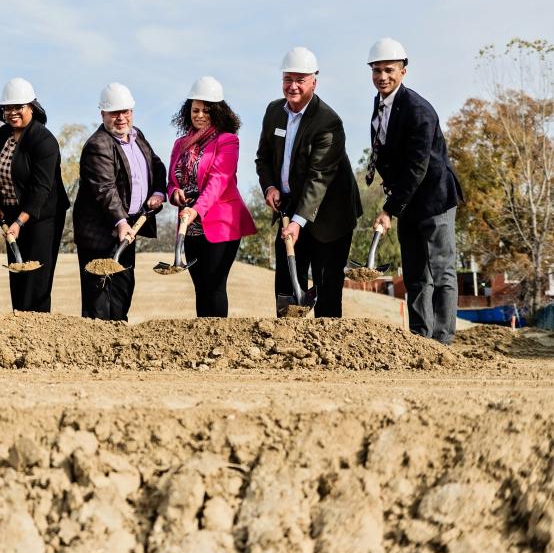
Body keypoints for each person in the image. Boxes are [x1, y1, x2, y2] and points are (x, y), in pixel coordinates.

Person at [365, 38, 464, 345]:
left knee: (442, 270)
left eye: (389, 70)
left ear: (404, 71)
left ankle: (443, 342)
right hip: (407, 201)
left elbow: (416, 168)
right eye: (377, 70)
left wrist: (389, 209)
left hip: (434, 200)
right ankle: (421, 340)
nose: (383, 76)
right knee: (415, 274)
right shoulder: (381, 104)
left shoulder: (418, 111)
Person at [255, 47, 362, 317]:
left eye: (300, 80)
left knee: (327, 291)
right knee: (288, 287)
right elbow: (263, 158)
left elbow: (319, 177)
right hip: (289, 207)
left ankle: (328, 352)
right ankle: (289, 346)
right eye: (288, 79)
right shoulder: (273, 112)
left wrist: (298, 222)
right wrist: (269, 186)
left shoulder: (328, 122)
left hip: (330, 213)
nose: (293, 86)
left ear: (314, 81)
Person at [72, 83, 165, 320]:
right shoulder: (98, 145)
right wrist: (121, 221)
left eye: (126, 111)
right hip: (102, 232)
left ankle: (118, 339)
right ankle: (96, 345)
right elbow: (105, 189)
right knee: (100, 298)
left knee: (123, 288)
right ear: (102, 114)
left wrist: (158, 192)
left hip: (129, 226)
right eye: (114, 113)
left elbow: (156, 164)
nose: (121, 118)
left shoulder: (137, 135)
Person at [167, 76, 257, 317]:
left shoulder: (227, 141)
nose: (200, 115)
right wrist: (174, 193)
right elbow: (173, 179)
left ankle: (219, 344)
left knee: (214, 286)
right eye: (195, 110)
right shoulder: (180, 144)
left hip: (221, 223)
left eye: (206, 111)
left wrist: (197, 209)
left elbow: (220, 179)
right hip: (190, 225)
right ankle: (203, 342)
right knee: (200, 288)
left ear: (217, 112)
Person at [0, 77, 70, 312]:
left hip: (42, 216)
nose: (13, 112)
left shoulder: (44, 140)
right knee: (18, 272)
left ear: (32, 107)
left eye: (19, 107)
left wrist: (19, 221)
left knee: (36, 277)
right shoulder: (2, 134)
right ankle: (20, 327)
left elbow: (41, 189)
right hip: (14, 213)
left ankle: (39, 331)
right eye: (8, 108)